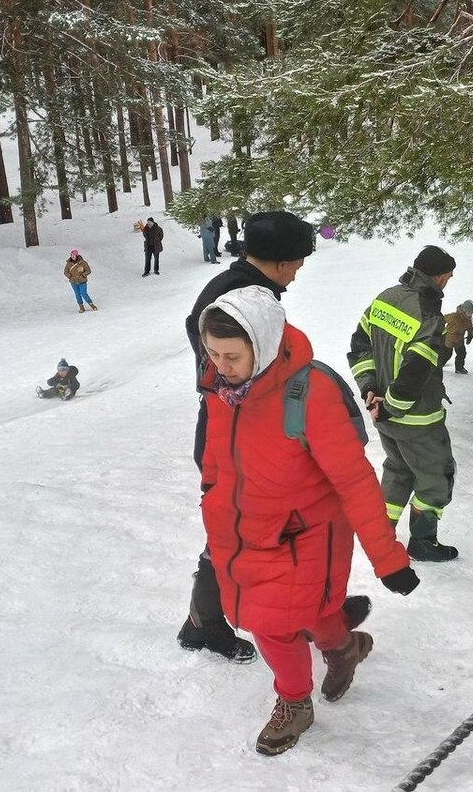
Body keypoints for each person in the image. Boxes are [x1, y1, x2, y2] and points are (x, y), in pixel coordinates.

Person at [197, 286, 419, 755]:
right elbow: (218, 452)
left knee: (272, 623)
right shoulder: (224, 388)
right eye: (212, 353)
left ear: (263, 342)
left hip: (306, 537)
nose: (221, 365)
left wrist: (388, 559)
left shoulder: (309, 393)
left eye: (231, 355)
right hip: (242, 532)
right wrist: (213, 494)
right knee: (312, 611)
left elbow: (356, 483)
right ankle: (344, 648)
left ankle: (294, 702)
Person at [179, 210, 354, 663]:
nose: (298, 270)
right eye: (297, 261)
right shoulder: (247, 295)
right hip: (235, 436)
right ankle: (208, 622)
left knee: (255, 524)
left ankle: (292, 609)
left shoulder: (231, 284)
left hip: (238, 431)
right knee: (239, 526)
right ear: (279, 262)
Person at [349, 245, 459, 561]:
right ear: (438, 277)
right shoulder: (428, 314)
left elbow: (359, 346)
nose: (448, 282)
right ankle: (423, 543)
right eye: (448, 277)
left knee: (399, 469)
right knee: (435, 477)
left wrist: (370, 390)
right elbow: (416, 371)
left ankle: (379, 532)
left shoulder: (385, 298)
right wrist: (393, 406)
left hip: (384, 415)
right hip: (416, 419)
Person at [444, 299, 473, 374]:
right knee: (446, 354)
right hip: (449, 339)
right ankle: (437, 366)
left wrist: (470, 336)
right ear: (464, 310)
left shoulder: (468, 320)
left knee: (462, 353)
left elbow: (470, 328)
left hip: (459, 340)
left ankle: (459, 368)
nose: (470, 314)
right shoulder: (454, 316)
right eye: (469, 312)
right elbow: (443, 319)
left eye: (471, 313)